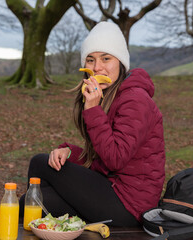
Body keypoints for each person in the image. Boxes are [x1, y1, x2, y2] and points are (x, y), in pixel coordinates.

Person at [19, 21, 166, 227]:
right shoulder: (111, 94)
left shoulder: (135, 99)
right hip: (111, 186)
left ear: (121, 63)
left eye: (106, 58)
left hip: (130, 205)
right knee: (34, 188)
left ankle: (47, 227)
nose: (97, 67)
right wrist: (69, 152)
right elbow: (102, 157)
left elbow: (114, 159)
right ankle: (49, 228)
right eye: (90, 60)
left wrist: (93, 110)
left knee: (29, 201)